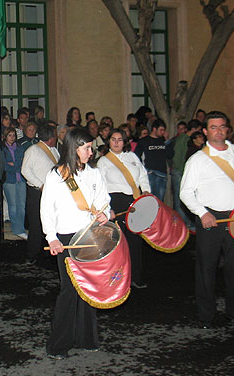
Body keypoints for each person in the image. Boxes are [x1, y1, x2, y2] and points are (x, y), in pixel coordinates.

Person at [180, 111, 234, 328]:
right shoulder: (197, 160)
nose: (218, 131)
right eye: (213, 127)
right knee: (207, 269)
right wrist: (202, 213)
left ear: (228, 129)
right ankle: (206, 315)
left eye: (222, 126)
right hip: (210, 218)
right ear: (205, 132)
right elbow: (185, 193)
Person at [41, 128, 111, 359]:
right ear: (74, 148)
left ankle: (86, 338)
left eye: (91, 147)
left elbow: (103, 201)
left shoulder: (94, 174)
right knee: (69, 290)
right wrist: (51, 237)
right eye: (86, 148)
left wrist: (105, 214)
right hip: (65, 239)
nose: (91, 152)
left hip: (89, 236)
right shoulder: (56, 175)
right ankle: (58, 344)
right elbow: (46, 209)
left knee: (88, 287)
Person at [97, 128, 150, 288]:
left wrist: (146, 190)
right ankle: (118, 278)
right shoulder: (103, 161)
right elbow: (101, 188)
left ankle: (135, 276)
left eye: (120, 139)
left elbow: (142, 175)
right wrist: (107, 208)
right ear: (109, 142)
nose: (116, 142)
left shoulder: (132, 156)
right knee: (119, 242)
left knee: (135, 240)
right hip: (116, 202)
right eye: (113, 139)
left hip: (134, 201)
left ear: (124, 141)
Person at [21, 123, 59, 265]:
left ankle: (47, 251)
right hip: (37, 192)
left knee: (50, 222)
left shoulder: (54, 151)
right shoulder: (33, 150)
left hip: (52, 192)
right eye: (54, 135)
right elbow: (25, 170)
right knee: (36, 224)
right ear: (50, 137)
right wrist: (40, 184)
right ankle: (31, 255)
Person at [134, 119, 171, 201]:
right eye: (161, 130)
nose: (162, 132)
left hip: (162, 174)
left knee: (159, 201)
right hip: (150, 173)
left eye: (164, 130)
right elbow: (136, 156)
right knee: (149, 200)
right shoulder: (144, 141)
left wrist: (167, 141)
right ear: (154, 129)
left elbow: (170, 155)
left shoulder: (163, 141)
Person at [1, 127, 27, 240]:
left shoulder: (19, 148)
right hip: (9, 180)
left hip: (21, 179)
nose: (11, 138)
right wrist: (16, 166)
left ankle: (20, 228)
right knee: (13, 205)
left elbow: (23, 163)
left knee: (21, 205)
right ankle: (16, 229)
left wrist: (14, 165)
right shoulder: (2, 149)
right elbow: (4, 166)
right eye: (9, 135)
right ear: (5, 137)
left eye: (13, 135)